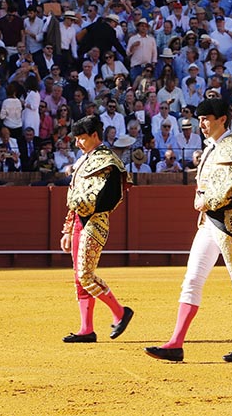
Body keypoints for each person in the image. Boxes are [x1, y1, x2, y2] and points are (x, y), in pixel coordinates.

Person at [144, 98, 232, 363]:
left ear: (222, 119)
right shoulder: (211, 148)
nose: (201, 125)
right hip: (208, 222)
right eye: (199, 120)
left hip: (226, 222)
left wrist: (208, 201)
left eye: (206, 119)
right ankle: (176, 343)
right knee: (192, 279)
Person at [60, 115, 134, 343]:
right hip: (79, 223)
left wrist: (81, 216)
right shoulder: (84, 159)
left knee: (85, 275)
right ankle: (86, 329)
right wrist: (68, 228)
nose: (77, 143)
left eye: (81, 138)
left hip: (95, 222)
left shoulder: (107, 160)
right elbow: (74, 196)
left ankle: (120, 312)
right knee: (78, 277)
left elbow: (109, 196)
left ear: (94, 136)